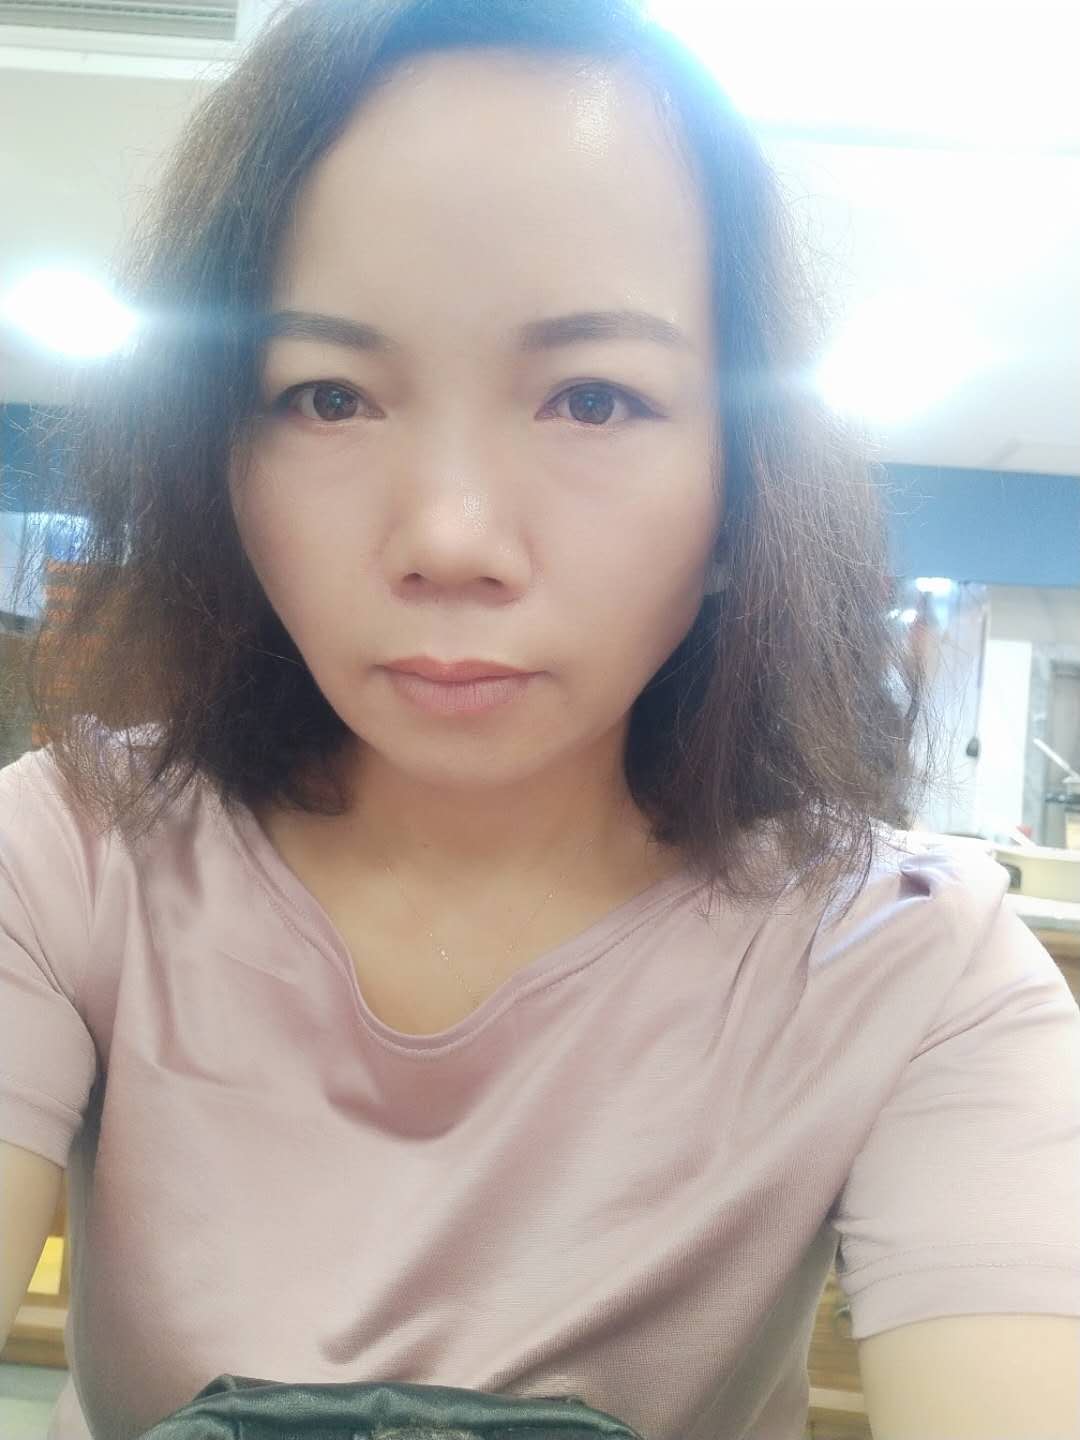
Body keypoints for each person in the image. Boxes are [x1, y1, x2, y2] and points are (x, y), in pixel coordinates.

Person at [2, 1, 1078, 1437]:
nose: (451, 538)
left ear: (739, 485)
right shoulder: (70, 856)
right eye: (328, 395)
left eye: (593, 398)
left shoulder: (908, 965)